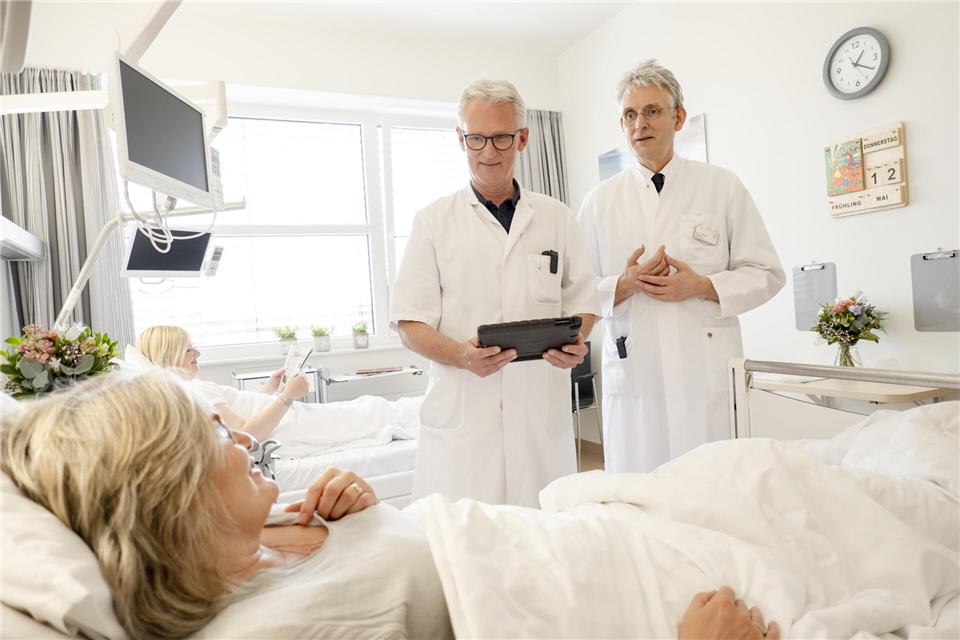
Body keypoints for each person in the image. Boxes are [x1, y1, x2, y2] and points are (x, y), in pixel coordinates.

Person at [0, 369, 779, 639]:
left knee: (748, 470)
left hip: (579, 535)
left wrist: (364, 511)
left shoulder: (264, 537)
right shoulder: (283, 630)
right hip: (634, 591)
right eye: (209, 432)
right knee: (779, 491)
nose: (235, 434)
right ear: (170, 488)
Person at [391, 78, 600, 507]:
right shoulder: (432, 222)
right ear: (460, 139)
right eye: (477, 138)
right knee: (463, 546)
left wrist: (577, 341)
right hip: (465, 418)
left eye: (502, 138)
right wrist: (461, 356)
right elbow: (410, 324)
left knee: (543, 540)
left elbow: (585, 303)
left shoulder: (557, 218)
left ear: (522, 138)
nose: (488, 151)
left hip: (538, 413)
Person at [577, 60, 785, 473]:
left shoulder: (721, 186)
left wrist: (702, 285)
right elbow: (577, 291)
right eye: (630, 115)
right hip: (635, 372)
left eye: (652, 111)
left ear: (678, 117)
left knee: (713, 483)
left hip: (702, 370)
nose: (641, 123)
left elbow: (766, 272)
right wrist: (625, 283)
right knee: (640, 491)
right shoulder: (598, 202)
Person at [136, 325, 310, 441]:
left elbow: (242, 412)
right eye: (189, 349)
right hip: (295, 419)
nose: (197, 354)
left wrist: (269, 388)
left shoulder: (189, 389)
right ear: (167, 356)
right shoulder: (194, 390)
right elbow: (245, 434)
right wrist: (289, 396)